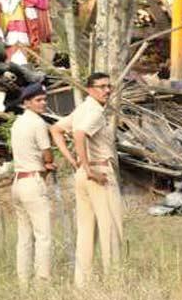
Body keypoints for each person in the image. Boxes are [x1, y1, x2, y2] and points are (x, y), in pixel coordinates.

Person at [51, 72, 123, 287]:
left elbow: (56, 129)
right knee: (111, 229)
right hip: (98, 172)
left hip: (83, 174)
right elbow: (80, 134)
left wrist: (75, 161)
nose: (107, 90)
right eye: (102, 86)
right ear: (90, 89)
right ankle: (115, 282)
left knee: (85, 231)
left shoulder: (82, 109)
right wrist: (89, 168)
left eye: (109, 86)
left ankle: (82, 284)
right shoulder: (94, 112)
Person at [10, 83, 57, 286]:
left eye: (44, 99)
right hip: (32, 181)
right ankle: (42, 284)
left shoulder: (17, 123)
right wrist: (48, 162)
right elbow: (47, 151)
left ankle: (23, 283)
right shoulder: (37, 123)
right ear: (26, 103)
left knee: (24, 237)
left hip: (18, 181)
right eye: (38, 100)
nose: (43, 103)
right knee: (43, 236)